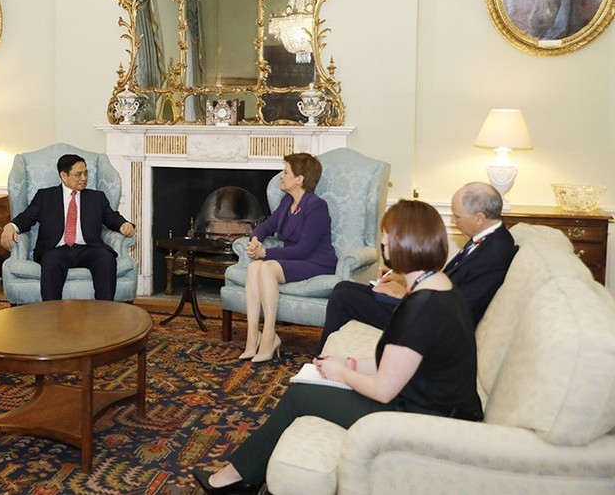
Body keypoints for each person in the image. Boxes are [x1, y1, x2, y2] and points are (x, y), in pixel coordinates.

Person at [193, 200, 483, 493]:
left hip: (424, 419)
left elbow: (384, 389)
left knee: (299, 397)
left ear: (400, 244)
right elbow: (400, 360)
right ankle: (242, 475)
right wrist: (349, 363)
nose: (382, 242)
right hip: (429, 403)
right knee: (311, 385)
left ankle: (235, 479)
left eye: (385, 236)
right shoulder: (439, 287)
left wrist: (341, 374)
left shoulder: (420, 308)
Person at [316, 181, 517, 353]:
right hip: (427, 307)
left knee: (343, 297)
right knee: (344, 287)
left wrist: (407, 294)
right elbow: (448, 284)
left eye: (457, 216)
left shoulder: (495, 254)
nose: (453, 221)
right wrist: (404, 279)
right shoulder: (485, 240)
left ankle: (319, 363)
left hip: (430, 324)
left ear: (479, 217)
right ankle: (322, 358)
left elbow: (459, 308)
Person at [238, 153, 336, 363]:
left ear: (300, 179)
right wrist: (256, 239)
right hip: (297, 259)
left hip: (317, 262)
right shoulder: (287, 202)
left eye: (286, 172)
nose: (281, 177)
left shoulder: (317, 206)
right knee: (254, 268)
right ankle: (252, 336)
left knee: (266, 267)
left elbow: (304, 250)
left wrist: (266, 253)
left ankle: (270, 336)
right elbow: (268, 225)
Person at [0, 153, 136, 301]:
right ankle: (51, 313)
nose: (84, 178)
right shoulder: (45, 197)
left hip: (89, 248)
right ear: (64, 175)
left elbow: (111, 217)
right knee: (50, 263)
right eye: (78, 174)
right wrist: (11, 226)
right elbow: (27, 217)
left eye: (86, 173)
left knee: (106, 260)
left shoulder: (97, 198)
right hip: (56, 249)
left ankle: (104, 312)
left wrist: (125, 224)